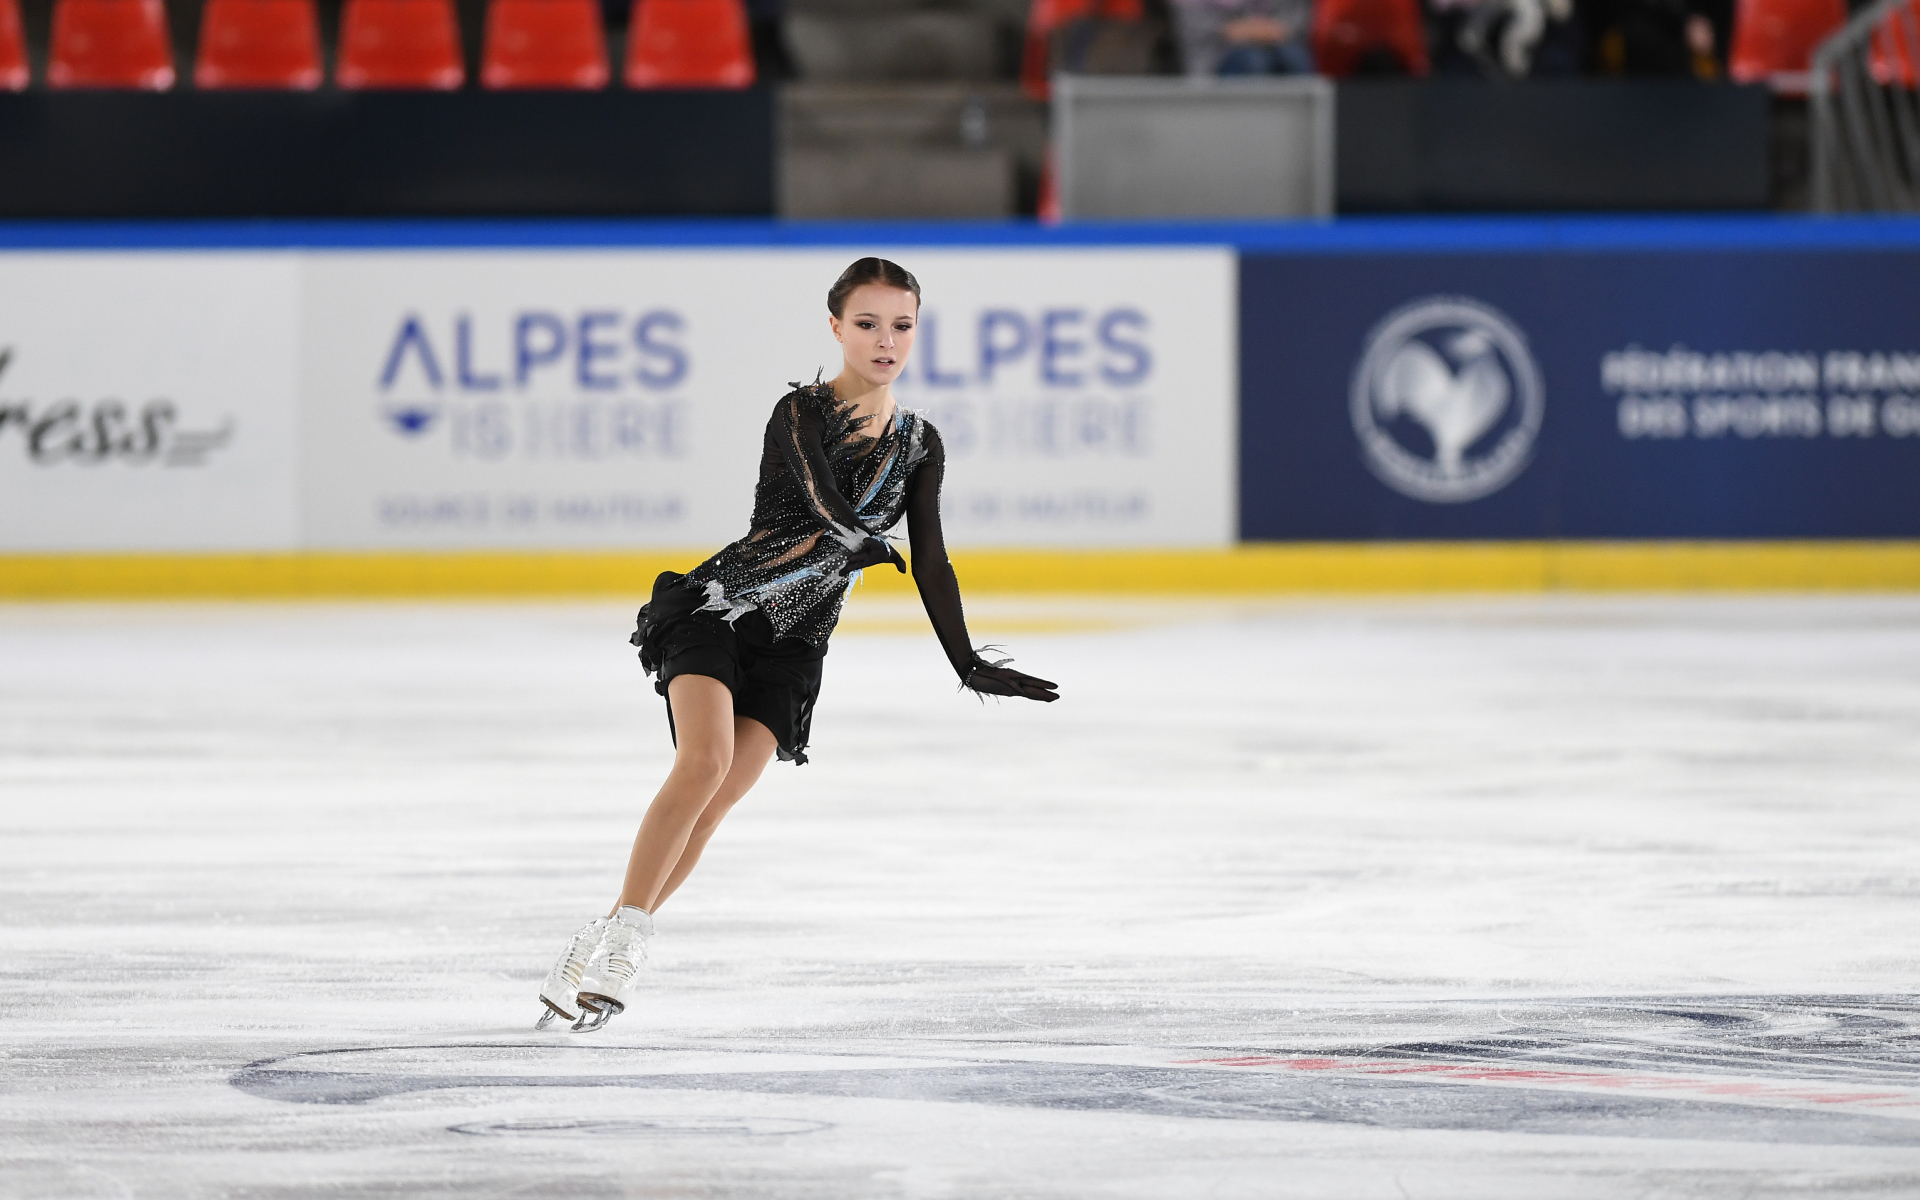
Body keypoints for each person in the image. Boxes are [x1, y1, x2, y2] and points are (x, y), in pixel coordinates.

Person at [534, 257, 1060, 1033]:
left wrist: (968, 662)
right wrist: (853, 538)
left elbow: (934, 558)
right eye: (868, 324)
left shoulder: (921, 444)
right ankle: (631, 944)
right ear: (837, 328)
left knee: (715, 806)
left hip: (799, 641)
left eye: (902, 325)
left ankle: (599, 934)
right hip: (723, 607)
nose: (886, 341)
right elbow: (819, 492)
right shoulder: (800, 411)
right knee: (702, 763)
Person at [1171, 0, 1317, 76]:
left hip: (1276, 47)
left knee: (1293, 56)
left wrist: (1259, 30)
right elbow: (1198, 27)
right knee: (1253, 60)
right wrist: (1253, 30)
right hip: (1216, 59)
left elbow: (1295, 23)